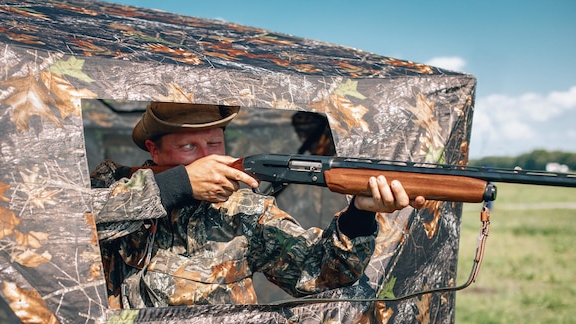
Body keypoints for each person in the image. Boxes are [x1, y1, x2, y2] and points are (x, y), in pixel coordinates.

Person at [90, 102, 425, 308]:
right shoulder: (112, 186)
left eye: (214, 142)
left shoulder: (245, 208)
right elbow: (67, 229)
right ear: (155, 150)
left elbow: (319, 272)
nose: (209, 159)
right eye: (189, 147)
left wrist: (360, 214)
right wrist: (179, 184)